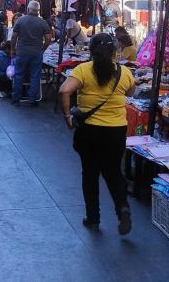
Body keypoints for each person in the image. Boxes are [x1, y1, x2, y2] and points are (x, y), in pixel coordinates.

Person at [58, 33, 136, 235]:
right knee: (113, 172)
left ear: (91, 50)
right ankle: (123, 209)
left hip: (90, 132)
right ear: (113, 52)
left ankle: (93, 217)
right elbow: (131, 93)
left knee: (90, 174)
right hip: (116, 131)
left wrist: (68, 116)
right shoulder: (124, 72)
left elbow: (64, 90)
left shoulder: (83, 70)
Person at [11, 1, 52, 106]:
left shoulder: (20, 20)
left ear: (28, 9)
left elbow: (14, 37)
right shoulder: (42, 22)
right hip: (36, 52)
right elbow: (48, 39)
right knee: (35, 75)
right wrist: (43, 49)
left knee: (19, 74)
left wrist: (13, 49)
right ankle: (33, 99)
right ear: (38, 11)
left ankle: (16, 99)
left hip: (22, 51)